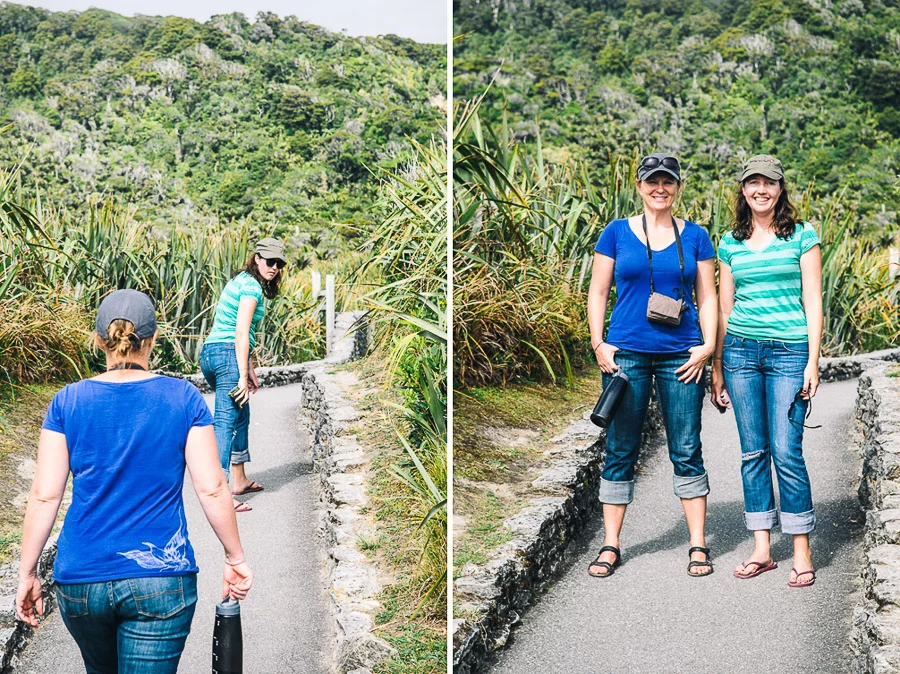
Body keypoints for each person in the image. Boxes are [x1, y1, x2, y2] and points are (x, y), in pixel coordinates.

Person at [15, 289, 253, 673]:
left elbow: (45, 496)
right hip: (160, 580)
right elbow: (212, 488)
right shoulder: (184, 399)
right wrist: (235, 557)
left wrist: (27, 573)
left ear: (99, 340)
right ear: (153, 339)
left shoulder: (67, 402)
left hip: (81, 580)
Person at [586, 153, 718, 578]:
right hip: (626, 355)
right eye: (651, 182)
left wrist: (708, 347)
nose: (660, 188)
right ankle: (611, 545)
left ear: (678, 187)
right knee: (620, 447)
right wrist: (599, 344)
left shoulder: (696, 235)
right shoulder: (616, 233)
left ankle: (697, 544)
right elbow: (598, 291)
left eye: (668, 182)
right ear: (639, 186)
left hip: (683, 355)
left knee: (686, 446)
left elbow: (708, 296)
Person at [710, 154, 823, 588]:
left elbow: (813, 301)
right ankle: (762, 548)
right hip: (739, 352)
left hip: (790, 353)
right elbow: (724, 305)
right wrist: (718, 365)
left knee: (786, 450)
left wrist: (813, 361)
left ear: (780, 190)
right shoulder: (730, 241)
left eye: (769, 183)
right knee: (753, 451)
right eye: (753, 183)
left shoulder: (801, 235)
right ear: (743, 190)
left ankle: (800, 550)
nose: (761, 190)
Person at [200, 238, 286, 512]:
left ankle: (239, 480)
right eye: (270, 261)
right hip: (227, 355)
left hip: (212, 354)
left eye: (279, 264)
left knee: (241, 414)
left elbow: (237, 331)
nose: (274, 267)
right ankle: (220, 494)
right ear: (257, 258)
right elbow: (240, 332)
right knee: (226, 421)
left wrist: (248, 370)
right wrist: (240, 375)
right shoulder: (251, 288)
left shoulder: (240, 280)